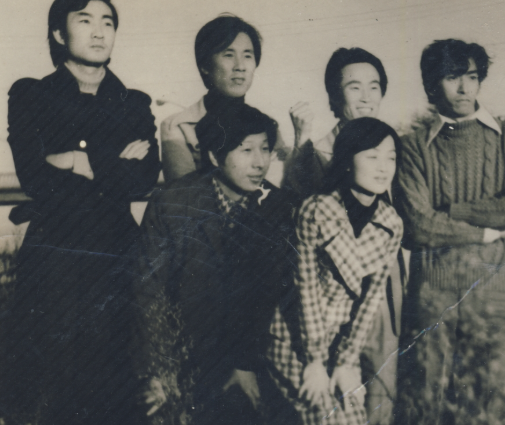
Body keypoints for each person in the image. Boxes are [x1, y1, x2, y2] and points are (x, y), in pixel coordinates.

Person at [0, 1, 160, 424]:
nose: (99, 32)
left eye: (108, 22)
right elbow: (35, 177)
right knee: (54, 387)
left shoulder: (133, 102)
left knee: (118, 384)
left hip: (117, 255)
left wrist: (77, 159)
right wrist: (114, 163)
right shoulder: (31, 94)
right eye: (84, 20)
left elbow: (144, 177)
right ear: (59, 33)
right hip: (56, 259)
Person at [133, 104, 297, 425]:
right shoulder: (173, 203)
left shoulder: (278, 206)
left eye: (265, 149)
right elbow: (147, 291)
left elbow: (273, 297)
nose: (260, 162)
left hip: (255, 354)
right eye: (246, 150)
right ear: (213, 156)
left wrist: (246, 362)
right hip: (184, 354)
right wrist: (153, 373)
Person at [396, 39, 505, 425]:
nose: (463, 88)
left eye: (471, 77)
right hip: (432, 295)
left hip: (493, 295)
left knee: (487, 406)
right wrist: (485, 232)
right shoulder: (412, 145)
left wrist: (453, 210)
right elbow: (418, 224)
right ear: (431, 83)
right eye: (451, 77)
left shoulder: (502, 137)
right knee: (425, 403)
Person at [267, 117, 403, 425]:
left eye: (391, 158)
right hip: (293, 334)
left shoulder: (391, 223)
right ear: (346, 161)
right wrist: (315, 361)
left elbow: (370, 301)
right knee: (326, 417)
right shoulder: (316, 210)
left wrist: (346, 361)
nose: (383, 168)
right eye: (372, 156)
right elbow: (307, 291)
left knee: (355, 417)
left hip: (338, 343)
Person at [160, 14, 287, 183]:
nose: (240, 66)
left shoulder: (265, 124)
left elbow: (277, 187)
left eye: (247, 55)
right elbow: (183, 194)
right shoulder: (178, 126)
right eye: (228, 55)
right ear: (205, 65)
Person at [284, 47, 388, 198]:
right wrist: (301, 140)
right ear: (335, 95)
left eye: (373, 87)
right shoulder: (316, 155)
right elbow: (302, 197)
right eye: (355, 88)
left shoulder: (393, 149)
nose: (366, 98)